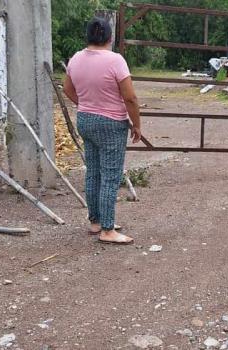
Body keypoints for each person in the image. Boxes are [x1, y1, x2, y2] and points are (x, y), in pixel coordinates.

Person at [63, 17, 142, 245]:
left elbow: (67, 88)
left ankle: (96, 221)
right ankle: (108, 230)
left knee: (93, 172)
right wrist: (136, 124)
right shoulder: (115, 60)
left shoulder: (76, 59)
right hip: (111, 124)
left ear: (87, 36)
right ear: (110, 37)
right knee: (110, 176)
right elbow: (130, 97)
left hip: (86, 120)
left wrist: (86, 104)